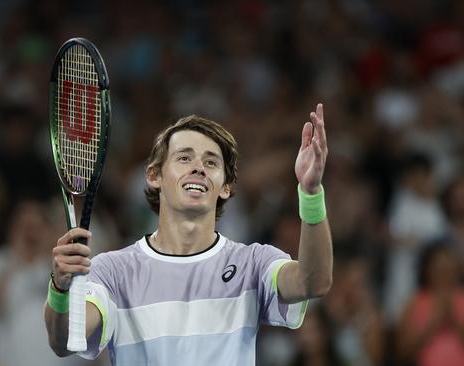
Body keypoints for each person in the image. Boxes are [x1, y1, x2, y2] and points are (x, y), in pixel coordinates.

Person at [44, 104, 333, 365]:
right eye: (184, 158)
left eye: (211, 162)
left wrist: (310, 193)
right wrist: (59, 288)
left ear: (225, 187)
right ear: (154, 176)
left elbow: (314, 282)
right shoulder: (113, 271)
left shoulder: (252, 263)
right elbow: (65, 340)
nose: (198, 168)